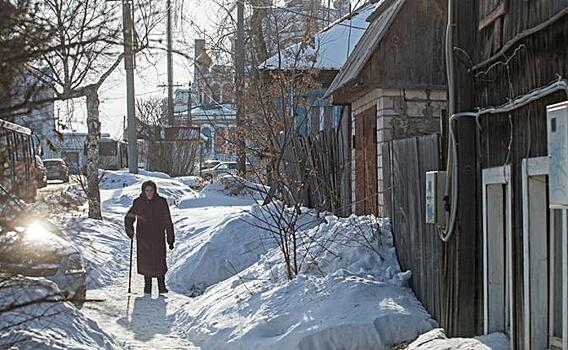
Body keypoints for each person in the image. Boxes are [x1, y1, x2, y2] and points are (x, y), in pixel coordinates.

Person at [125, 180, 175, 294]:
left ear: (155, 190)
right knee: (146, 262)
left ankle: (161, 287)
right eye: (147, 190)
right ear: (143, 191)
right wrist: (129, 229)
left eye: (151, 190)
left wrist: (170, 239)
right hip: (144, 237)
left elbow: (168, 221)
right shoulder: (138, 202)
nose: (149, 193)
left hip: (158, 236)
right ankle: (147, 287)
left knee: (159, 261)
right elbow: (129, 216)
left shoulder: (161, 202)